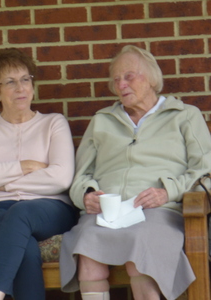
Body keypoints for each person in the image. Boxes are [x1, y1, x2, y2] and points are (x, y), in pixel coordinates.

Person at [60, 45, 211, 300]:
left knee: (140, 250)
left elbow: (205, 172)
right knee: (87, 253)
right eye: (116, 79)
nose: (121, 84)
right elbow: (80, 177)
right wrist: (86, 195)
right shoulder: (102, 121)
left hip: (157, 212)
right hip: (107, 214)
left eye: (129, 76)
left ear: (151, 78)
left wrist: (167, 192)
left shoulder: (184, 116)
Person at [0, 48, 76, 300]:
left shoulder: (54, 123)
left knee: (20, 211)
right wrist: (26, 166)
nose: (20, 88)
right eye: (10, 82)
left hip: (47, 209)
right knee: (26, 251)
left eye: (25, 79)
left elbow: (61, 178)